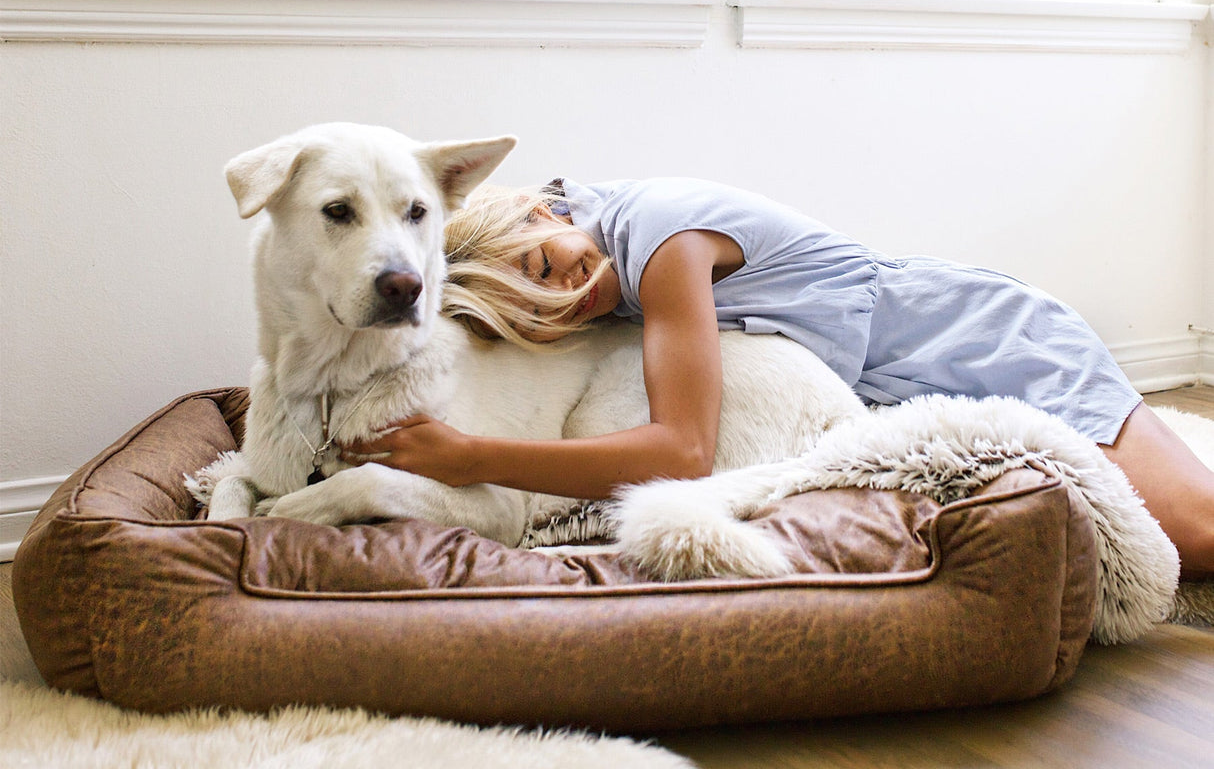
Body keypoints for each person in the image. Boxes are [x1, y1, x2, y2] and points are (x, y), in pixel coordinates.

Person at [342, 176, 1214, 580]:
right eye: (538, 309)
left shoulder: (662, 243)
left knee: (1195, 537)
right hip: (904, 400)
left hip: (985, 340)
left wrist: (471, 456)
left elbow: (680, 452)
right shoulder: (608, 260)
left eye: (542, 260)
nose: (560, 291)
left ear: (546, 207)